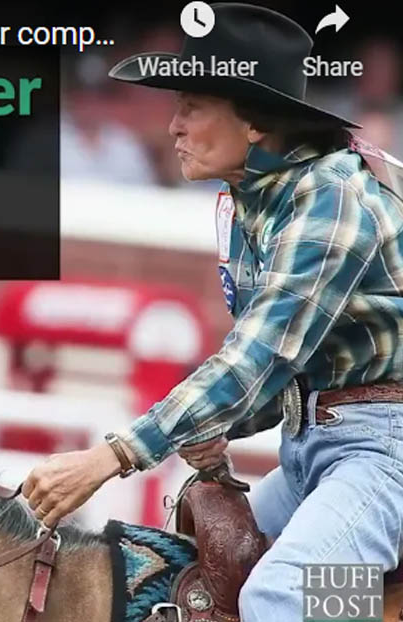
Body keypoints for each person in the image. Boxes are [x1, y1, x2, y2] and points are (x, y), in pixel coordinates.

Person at [21, 4, 403, 620]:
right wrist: (220, 426)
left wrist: (108, 457)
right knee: (189, 570)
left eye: (192, 105)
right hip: (321, 453)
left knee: (279, 597)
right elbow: (281, 369)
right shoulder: (256, 198)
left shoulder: (332, 196)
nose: (172, 125)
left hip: (384, 457)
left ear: (252, 121)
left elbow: (257, 356)